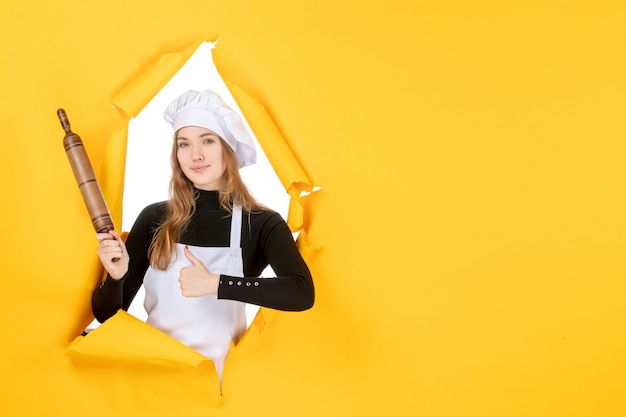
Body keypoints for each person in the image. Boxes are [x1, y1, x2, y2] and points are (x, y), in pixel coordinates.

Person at [92, 89, 315, 379]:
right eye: (184, 144)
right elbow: (107, 316)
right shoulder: (154, 218)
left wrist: (217, 284)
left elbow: (301, 293)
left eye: (207, 141)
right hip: (154, 380)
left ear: (228, 148)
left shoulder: (260, 223)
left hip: (219, 390)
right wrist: (117, 276)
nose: (195, 155)